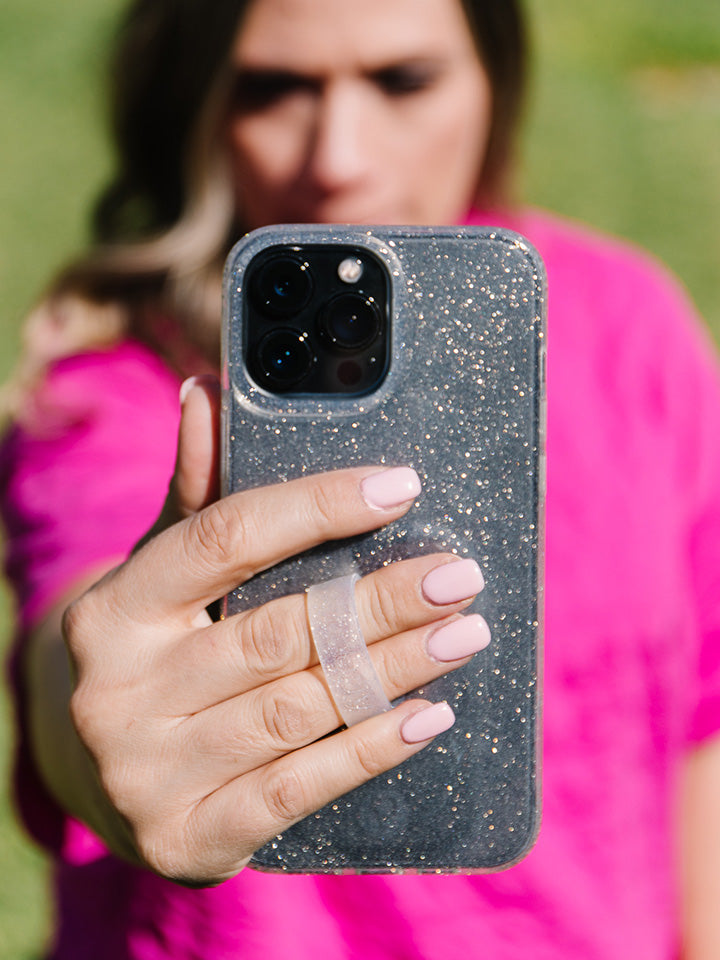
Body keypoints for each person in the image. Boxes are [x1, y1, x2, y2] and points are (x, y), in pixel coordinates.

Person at [2, 0, 720, 957]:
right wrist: (102, 728)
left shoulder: (624, 325)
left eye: (403, 81)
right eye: (272, 89)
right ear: (192, 103)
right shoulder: (128, 394)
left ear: (493, 84)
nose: (338, 158)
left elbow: (700, 724)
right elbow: (74, 641)